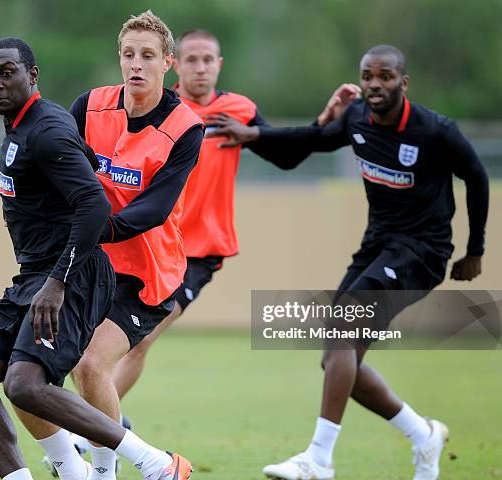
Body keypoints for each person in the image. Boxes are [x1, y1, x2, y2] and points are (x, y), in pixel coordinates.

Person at [208, 44, 489, 480]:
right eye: (368, 76)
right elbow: (316, 139)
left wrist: (476, 250)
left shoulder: (434, 130)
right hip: (377, 245)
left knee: (341, 330)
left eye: (386, 76)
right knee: (337, 357)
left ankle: (319, 459)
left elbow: (477, 177)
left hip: (422, 252)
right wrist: (256, 135)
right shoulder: (357, 115)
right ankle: (423, 434)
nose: (375, 84)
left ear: (403, 82)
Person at [0, 37, 191, 480]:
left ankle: (151, 464)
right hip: (35, 274)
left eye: (8, 73)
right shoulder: (22, 126)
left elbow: (95, 205)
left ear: (32, 75)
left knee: (33, 381)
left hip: (74, 274)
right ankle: (70, 473)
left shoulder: (48, 129)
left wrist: (57, 282)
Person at [111, 27, 362, 401]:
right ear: (175, 64)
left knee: (140, 339)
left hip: (198, 252)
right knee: (106, 339)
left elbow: (286, 157)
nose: (200, 68)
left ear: (219, 64)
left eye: (208, 60)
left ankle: (92, 432)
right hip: (149, 243)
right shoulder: (156, 108)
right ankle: (104, 421)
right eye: (192, 60)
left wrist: (322, 123)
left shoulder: (238, 110)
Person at [14, 12, 204, 480]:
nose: (135, 65)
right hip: (85, 262)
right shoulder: (90, 105)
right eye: (127, 55)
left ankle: (104, 472)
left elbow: (156, 209)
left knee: (91, 365)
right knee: (25, 374)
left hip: (146, 272)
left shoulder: (185, 127)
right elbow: (58, 172)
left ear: (168, 64)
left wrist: (92, 226)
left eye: (147, 56)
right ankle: (77, 464)